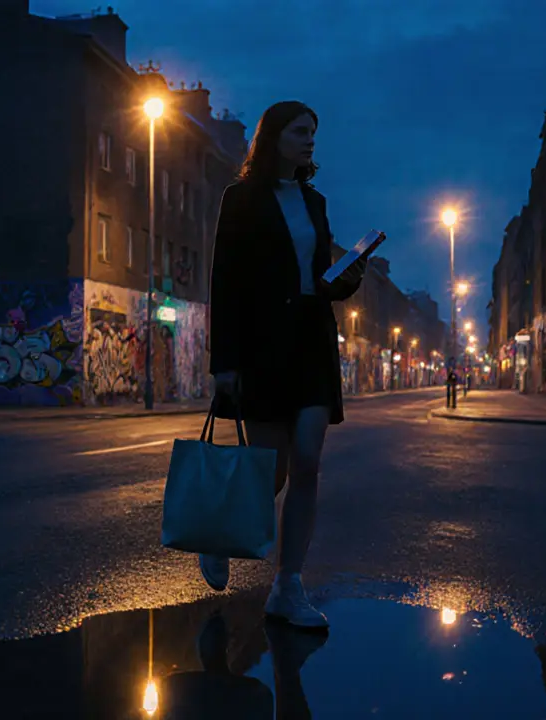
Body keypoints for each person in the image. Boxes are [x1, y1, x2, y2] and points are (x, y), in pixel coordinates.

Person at [204, 100, 368, 629]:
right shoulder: (242, 199)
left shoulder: (314, 201)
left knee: (308, 463)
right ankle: (221, 533)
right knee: (268, 467)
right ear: (273, 136)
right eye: (301, 131)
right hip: (264, 344)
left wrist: (348, 277)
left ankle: (288, 586)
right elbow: (224, 283)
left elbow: (320, 275)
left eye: (314, 133)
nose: (310, 140)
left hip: (312, 339)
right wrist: (224, 362)